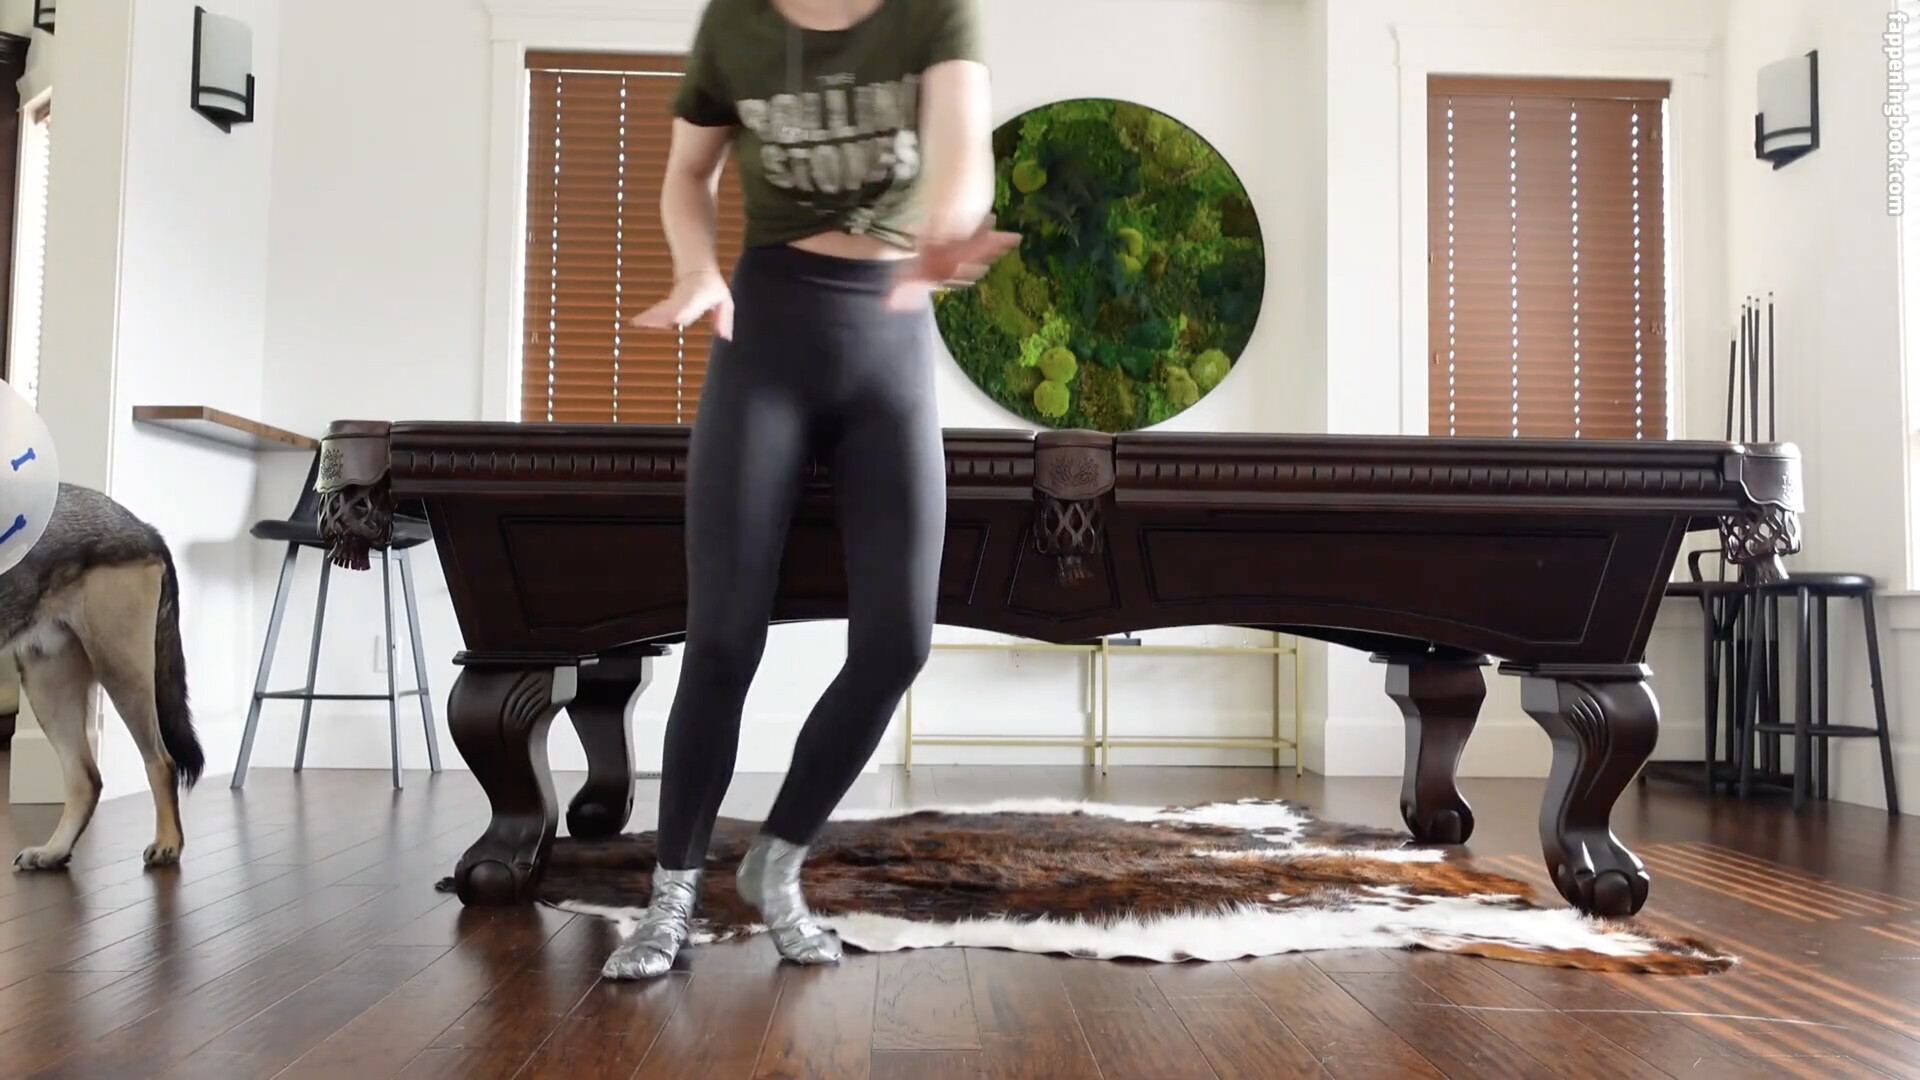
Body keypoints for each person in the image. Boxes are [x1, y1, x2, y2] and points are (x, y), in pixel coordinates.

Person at [600, 0, 1016, 981]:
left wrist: (951, 226)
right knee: (724, 639)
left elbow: (965, 153)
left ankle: (777, 862)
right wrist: (697, 270)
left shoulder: (932, 13)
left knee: (898, 643)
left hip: (889, 339)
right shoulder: (735, 23)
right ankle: (670, 897)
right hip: (767, 337)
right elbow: (688, 174)